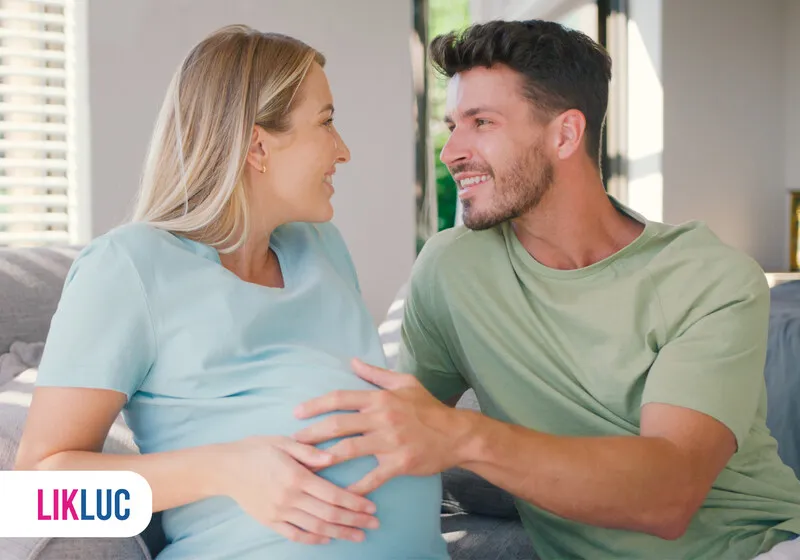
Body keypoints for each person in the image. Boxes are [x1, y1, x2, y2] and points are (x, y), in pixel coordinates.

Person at [293, 20, 800, 560]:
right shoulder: (450, 268)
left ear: (565, 134)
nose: (451, 152)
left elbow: (668, 498)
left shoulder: (708, 278)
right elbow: (394, 433)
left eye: (481, 122)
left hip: (756, 548)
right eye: (451, 125)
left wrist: (463, 436)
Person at [14, 25, 449, 560]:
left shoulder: (323, 249)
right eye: (327, 122)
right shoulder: (128, 268)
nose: (344, 150)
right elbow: (34, 498)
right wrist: (227, 469)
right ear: (258, 145)